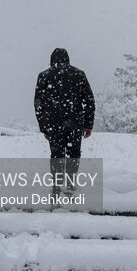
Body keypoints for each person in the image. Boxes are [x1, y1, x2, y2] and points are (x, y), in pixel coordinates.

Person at [34, 48, 95, 196]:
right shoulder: (79, 74)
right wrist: (88, 124)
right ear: (68, 59)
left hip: (53, 124)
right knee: (73, 153)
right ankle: (70, 184)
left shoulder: (44, 76)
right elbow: (89, 100)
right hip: (75, 123)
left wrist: (44, 127)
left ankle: (56, 186)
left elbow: (38, 104)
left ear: (52, 60)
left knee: (57, 154)